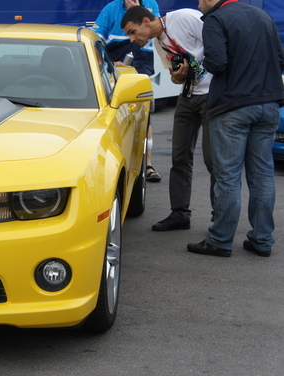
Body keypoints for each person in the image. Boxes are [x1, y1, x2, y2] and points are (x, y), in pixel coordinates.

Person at [186, 0, 284, 257]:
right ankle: (262, 240)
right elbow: (280, 57)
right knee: (262, 175)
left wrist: (198, 65)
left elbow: (217, 63)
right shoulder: (263, 16)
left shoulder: (215, 20)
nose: (198, 4)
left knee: (228, 176)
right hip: (268, 104)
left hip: (232, 107)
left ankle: (219, 240)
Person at [121, 6, 215, 232]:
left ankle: (219, 219)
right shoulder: (158, 42)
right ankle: (179, 214)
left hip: (212, 94)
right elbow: (174, 79)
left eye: (133, 32)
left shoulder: (183, 18)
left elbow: (217, 43)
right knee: (179, 157)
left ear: (146, 21)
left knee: (214, 160)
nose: (133, 39)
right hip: (187, 95)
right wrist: (178, 76)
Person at [93, 0, 162, 183]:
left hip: (142, 63)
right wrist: (106, 63)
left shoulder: (151, 5)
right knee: (117, 114)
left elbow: (152, 28)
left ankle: (147, 164)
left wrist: (134, 11)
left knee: (144, 115)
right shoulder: (111, 8)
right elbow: (95, 39)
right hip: (117, 67)